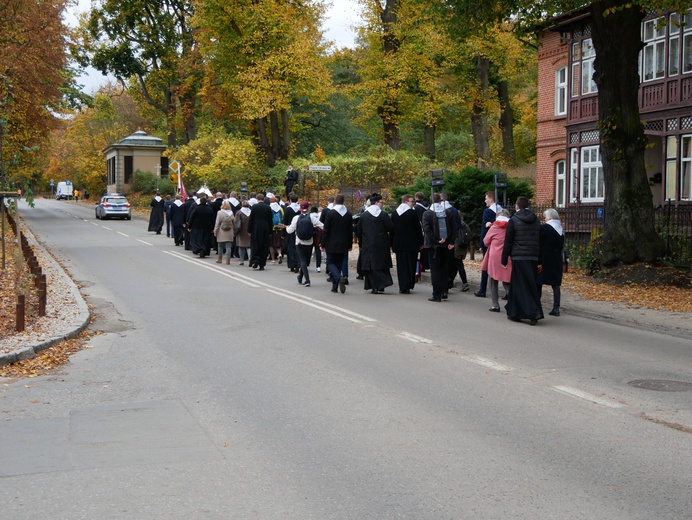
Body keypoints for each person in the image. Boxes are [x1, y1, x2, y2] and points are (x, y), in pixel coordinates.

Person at [501, 196, 543, 325]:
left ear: (517, 207)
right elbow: (539, 240)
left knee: (520, 285)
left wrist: (504, 259)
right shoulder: (536, 221)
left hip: (519, 257)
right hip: (533, 257)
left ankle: (530, 312)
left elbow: (508, 241)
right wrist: (540, 259)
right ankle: (515, 311)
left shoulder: (514, 220)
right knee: (529, 284)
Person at [421, 193, 458, 302]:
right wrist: (450, 241)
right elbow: (454, 227)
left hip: (433, 246)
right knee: (444, 269)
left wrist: (436, 240)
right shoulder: (448, 212)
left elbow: (427, 230)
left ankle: (436, 294)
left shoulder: (427, 214)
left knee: (435, 270)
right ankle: (444, 291)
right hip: (446, 245)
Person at [355, 193, 394, 294]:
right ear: (376, 203)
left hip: (368, 244)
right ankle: (381, 285)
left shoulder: (364, 215)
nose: (382, 204)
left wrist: (362, 241)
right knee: (381, 265)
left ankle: (373, 287)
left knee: (371, 266)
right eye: (381, 202)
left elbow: (358, 230)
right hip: (382, 244)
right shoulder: (383, 215)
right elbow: (390, 227)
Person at [284, 201, 323, 287]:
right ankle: (300, 277)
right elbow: (322, 226)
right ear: (308, 208)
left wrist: (287, 227)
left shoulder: (296, 218)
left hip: (299, 242)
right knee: (305, 261)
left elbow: (290, 230)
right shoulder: (312, 218)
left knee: (302, 261)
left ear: (300, 209)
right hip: (309, 242)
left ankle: (307, 280)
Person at [321, 194, 353, 294]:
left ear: (335, 202)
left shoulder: (330, 213)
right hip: (344, 242)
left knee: (330, 262)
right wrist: (350, 244)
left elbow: (326, 230)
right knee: (338, 264)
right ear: (343, 202)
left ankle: (339, 278)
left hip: (331, 242)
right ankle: (334, 287)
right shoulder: (348, 214)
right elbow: (350, 230)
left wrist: (322, 243)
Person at [391, 194, 423, 294]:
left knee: (401, 265)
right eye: (411, 201)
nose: (412, 203)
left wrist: (391, 243)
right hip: (411, 243)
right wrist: (421, 242)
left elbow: (392, 230)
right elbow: (418, 229)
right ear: (405, 202)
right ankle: (409, 284)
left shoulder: (395, 213)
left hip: (399, 243)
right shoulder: (412, 213)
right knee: (411, 264)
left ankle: (402, 286)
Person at [537, 208, 565, 316]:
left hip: (545, 258)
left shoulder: (544, 228)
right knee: (555, 284)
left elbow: (540, 243)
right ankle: (556, 306)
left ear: (548, 218)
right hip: (557, 258)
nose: (544, 219)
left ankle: (537, 302)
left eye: (545, 217)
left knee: (539, 281)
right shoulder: (560, 229)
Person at [483, 209, 512, 312]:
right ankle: (513, 302)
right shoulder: (511, 227)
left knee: (493, 281)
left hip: (494, 256)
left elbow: (486, 241)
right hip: (507, 256)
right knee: (507, 280)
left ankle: (495, 305)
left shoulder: (494, 227)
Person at [475, 191, 502, 297]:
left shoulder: (487, 212)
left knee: (486, 266)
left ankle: (482, 289)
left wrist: (481, 244)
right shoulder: (502, 210)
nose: (485, 200)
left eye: (486, 198)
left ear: (491, 199)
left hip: (490, 242)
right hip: (500, 242)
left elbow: (484, 230)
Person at [247, 193, 273, 270]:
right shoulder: (268, 207)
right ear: (264, 199)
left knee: (255, 244)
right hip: (265, 227)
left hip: (256, 227)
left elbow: (251, 219)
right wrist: (270, 231)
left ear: (257, 199)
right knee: (264, 245)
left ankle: (255, 260)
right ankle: (262, 263)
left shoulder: (254, 207)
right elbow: (270, 220)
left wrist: (249, 230)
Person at [453, 212, 471, 292]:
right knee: (457, 264)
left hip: (456, 247)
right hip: (463, 247)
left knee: (458, 264)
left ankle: (464, 282)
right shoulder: (465, 225)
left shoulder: (456, 225)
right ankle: (451, 281)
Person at [283, 193, 300, 273]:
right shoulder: (300, 208)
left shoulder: (288, 209)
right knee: (298, 246)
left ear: (290, 200)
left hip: (290, 229)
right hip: (299, 229)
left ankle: (292, 264)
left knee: (290, 247)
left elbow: (285, 221)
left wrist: (283, 233)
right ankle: (298, 261)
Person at [214, 200, 235, 264]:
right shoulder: (231, 213)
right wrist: (234, 230)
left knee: (220, 245)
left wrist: (215, 231)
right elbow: (233, 222)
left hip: (221, 230)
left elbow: (217, 223)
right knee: (228, 246)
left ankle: (219, 259)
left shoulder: (220, 212)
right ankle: (228, 260)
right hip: (230, 230)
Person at [235, 200, 252, 265]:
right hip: (249, 231)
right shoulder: (251, 212)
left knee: (241, 246)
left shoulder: (239, 212)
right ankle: (250, 258)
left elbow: (236, 222)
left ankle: (241, 260)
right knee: (249, 246)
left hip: (241, 231)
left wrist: (235, 231)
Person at [269, 197, 284, 265]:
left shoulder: (270, 208)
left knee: (271, 244)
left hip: (272, 228)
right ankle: (280, 254)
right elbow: (283, 216)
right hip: (279, 227)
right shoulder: (280, 208)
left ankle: (272, 260)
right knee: (278, 243)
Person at [310, 206, 322, 272]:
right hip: (318, 233)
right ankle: (318, 267)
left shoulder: (310, 216)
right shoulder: (319, 215)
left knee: (309, 250)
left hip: (311, 233)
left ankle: (307, 265)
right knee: (318, 250)